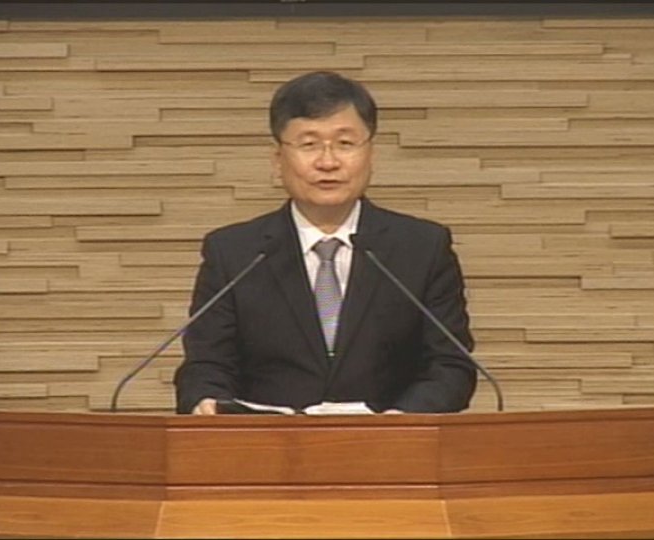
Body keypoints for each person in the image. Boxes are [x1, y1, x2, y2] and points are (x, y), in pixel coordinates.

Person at [174, 71, 476, 415]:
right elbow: (205, 365)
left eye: (345, 144)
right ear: (278, 160)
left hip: (392, 444)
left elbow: (450, 365)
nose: (328, 162)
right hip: (267, 445)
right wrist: (205, 401)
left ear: (371, 154)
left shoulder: (422, 248)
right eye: (309, 144)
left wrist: (398, 423)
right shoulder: (234, 253)